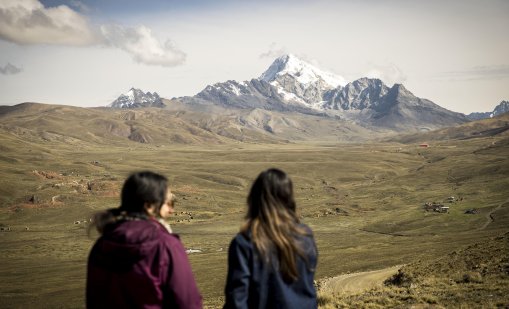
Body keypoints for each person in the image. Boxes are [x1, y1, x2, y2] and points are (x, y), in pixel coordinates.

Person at [86, 171, 202, 309]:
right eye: (168, 203)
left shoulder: (102, 245)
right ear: (149, 205)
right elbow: (187, 303)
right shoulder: (166, 246)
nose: (171, 210)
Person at [224, 168, 318, 309]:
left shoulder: (244, 243)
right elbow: (307, 290)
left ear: (254, 199)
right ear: (288, 199)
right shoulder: (305, 237)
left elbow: (237, 300)